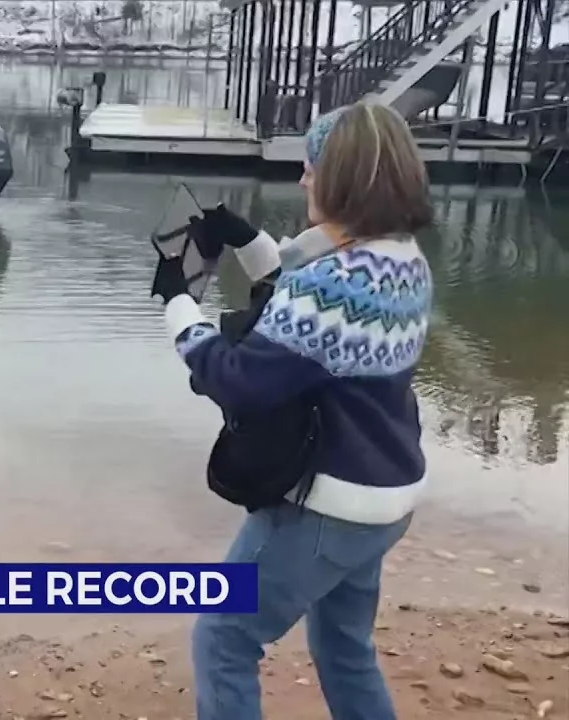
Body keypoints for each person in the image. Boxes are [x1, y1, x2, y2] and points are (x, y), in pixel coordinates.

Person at [150, 102, 434, 720]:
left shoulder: (330, 288)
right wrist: (244, 237)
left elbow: (237, 380)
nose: (303, 179)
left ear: (343, 179)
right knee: (344, 645)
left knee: (224, 639)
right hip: (387, 494)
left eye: (312, 167)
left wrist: (177, 304)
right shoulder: (401, 259)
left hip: (328, 508)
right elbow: (306, 299)